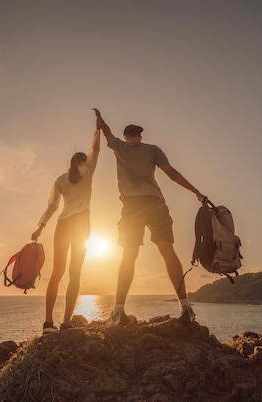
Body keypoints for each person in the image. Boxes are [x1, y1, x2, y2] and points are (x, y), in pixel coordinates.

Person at [93, 108, 206, 324]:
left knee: (128, 256)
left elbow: (107, 132)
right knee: (167, 251)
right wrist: (196, 192)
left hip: (132, 206)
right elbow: (172, 174)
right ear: (140, 136)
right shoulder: (153, 150)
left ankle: (118, 311)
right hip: (155, 203)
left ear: (126, 137)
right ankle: (185, 307)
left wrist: (100, 120)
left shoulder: (120, 147)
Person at [31, 115, 101, 334]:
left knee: (56, 273)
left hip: (62, 225)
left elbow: (52, 206)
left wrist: (41, 226)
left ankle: (48, 323)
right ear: (83, 161)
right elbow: (95, 150)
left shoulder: (61, 179)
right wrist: (97, 130)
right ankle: (67, 323)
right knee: (75, 274)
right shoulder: (88, 172)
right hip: (81, 225)